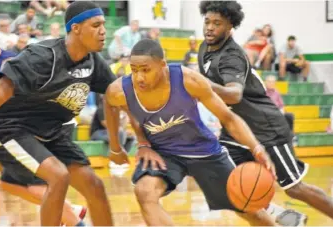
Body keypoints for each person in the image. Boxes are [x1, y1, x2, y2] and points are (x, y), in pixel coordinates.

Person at [104, 39, 277, 226]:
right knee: (144, 191)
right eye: (134, 69)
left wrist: (256, 147)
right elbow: (111, 104)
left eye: (145, 70)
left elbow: (228, 118)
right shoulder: (120, 90)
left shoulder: (189, 80)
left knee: (250, 210)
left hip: (204, 150)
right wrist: (121, 146)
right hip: (164, 152)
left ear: (162, 65)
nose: (139, 77)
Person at [197, 1, 333, 225]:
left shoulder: (231, 57)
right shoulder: (206, 48)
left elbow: (234, 95)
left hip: (265, 128)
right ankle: (284, 216)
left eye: (217, 23)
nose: (210, 27)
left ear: (230, 26)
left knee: (295, 188)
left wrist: (199, 85)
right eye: (207, 21)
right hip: (235, 129)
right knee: (228, 186)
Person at [0, 2, 125, 226]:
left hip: (52, 132)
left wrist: (115, 147)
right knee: (58, 176)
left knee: (94, 186)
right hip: (11, 127)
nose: (104, 31)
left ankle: (74, 221)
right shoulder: (43, 56)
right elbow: (1, 90)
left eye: (104, 24)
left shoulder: (94, 62)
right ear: (75, 28)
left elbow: (112, 99)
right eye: (96, 25)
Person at [0, 48, 87, 226]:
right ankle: (68, 211)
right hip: (31, 130)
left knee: (36, 185)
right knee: (9, 183)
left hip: (38, 131)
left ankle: (71, 216)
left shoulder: (13, 70)